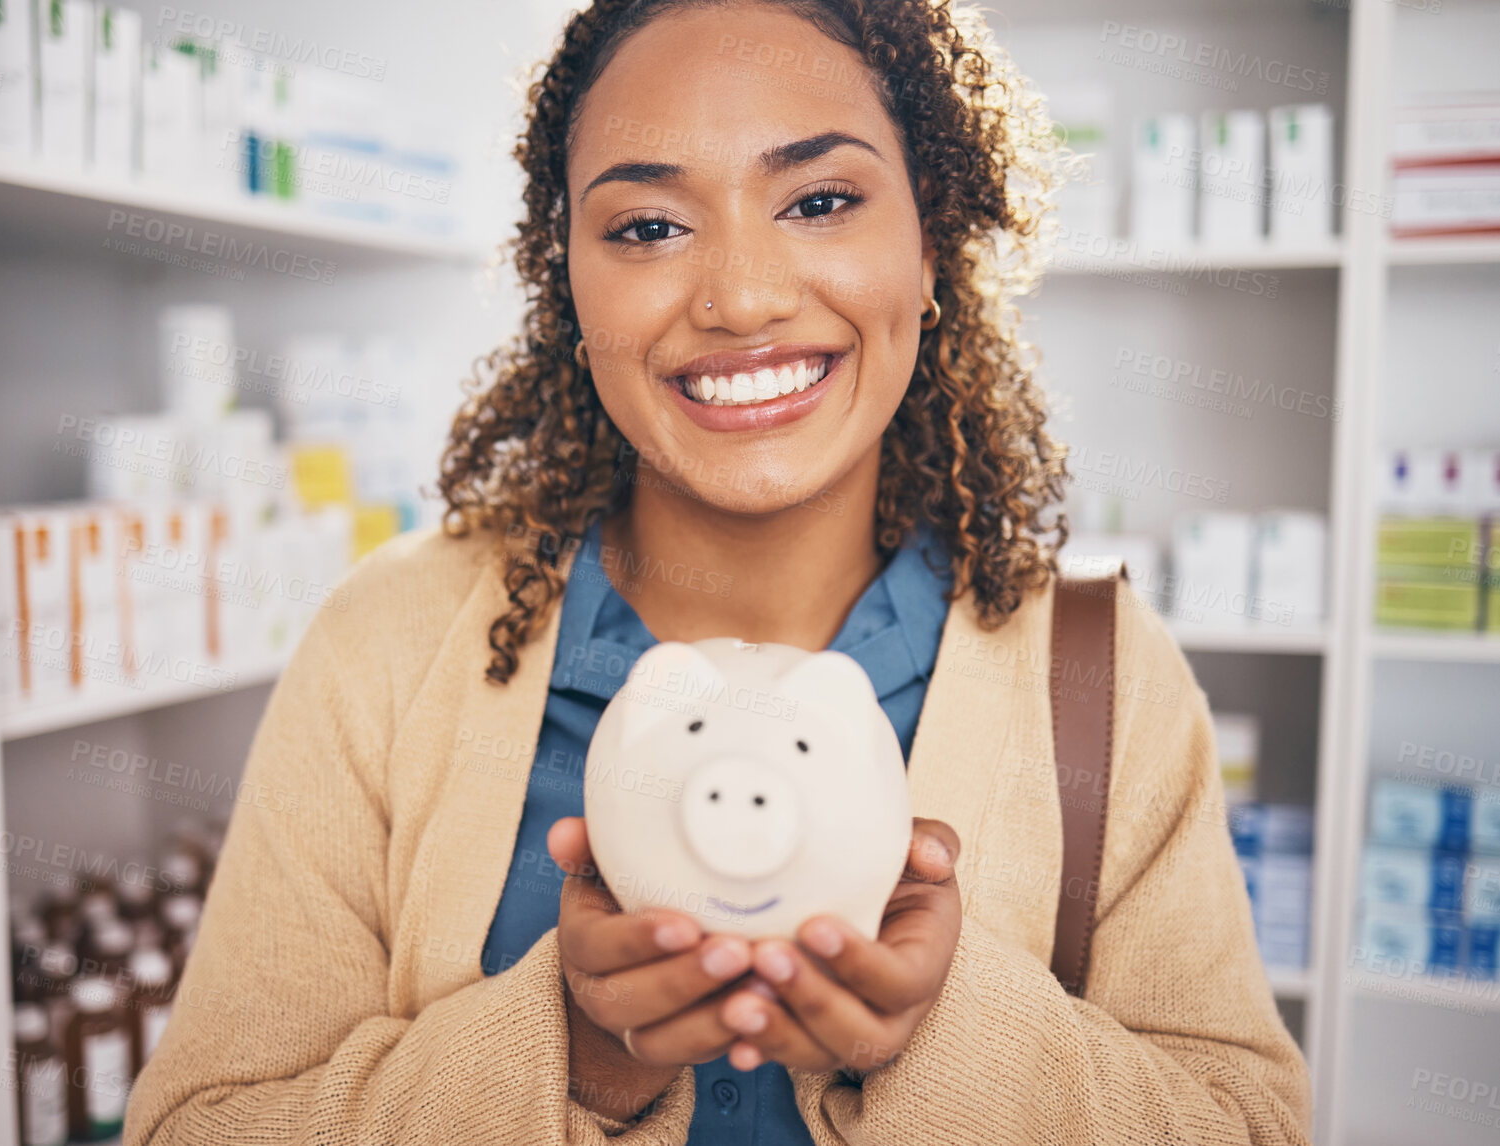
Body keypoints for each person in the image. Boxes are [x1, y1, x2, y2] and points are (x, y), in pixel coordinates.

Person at [123, 2, 1313, 1143]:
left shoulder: (1095, 672)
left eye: (821, 200)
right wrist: (576, 1054)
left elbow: (1248, 1128)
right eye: (646, 226)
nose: (741, 297)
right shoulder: (387, 643)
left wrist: (936, 1034)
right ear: (566, 282)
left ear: (931, 237)